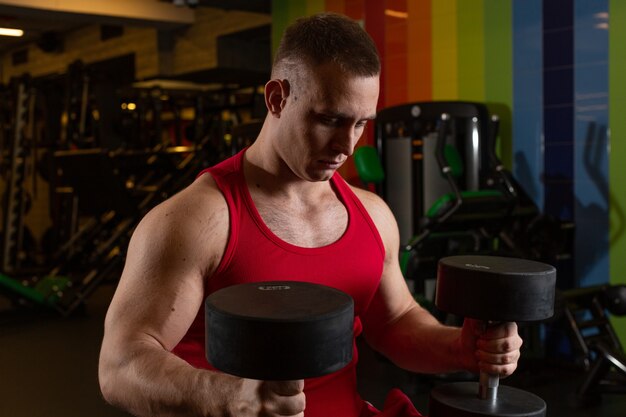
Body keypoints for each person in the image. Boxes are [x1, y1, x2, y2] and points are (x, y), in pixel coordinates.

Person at [98, 12, 523, 417]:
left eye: (360, 124)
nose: (347, 145)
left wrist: (461, 349)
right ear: (277, 97)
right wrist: (230, 398)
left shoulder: (372, 215)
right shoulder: (195, 220)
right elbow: (120, 365)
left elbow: (395, 322)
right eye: (329, 119)